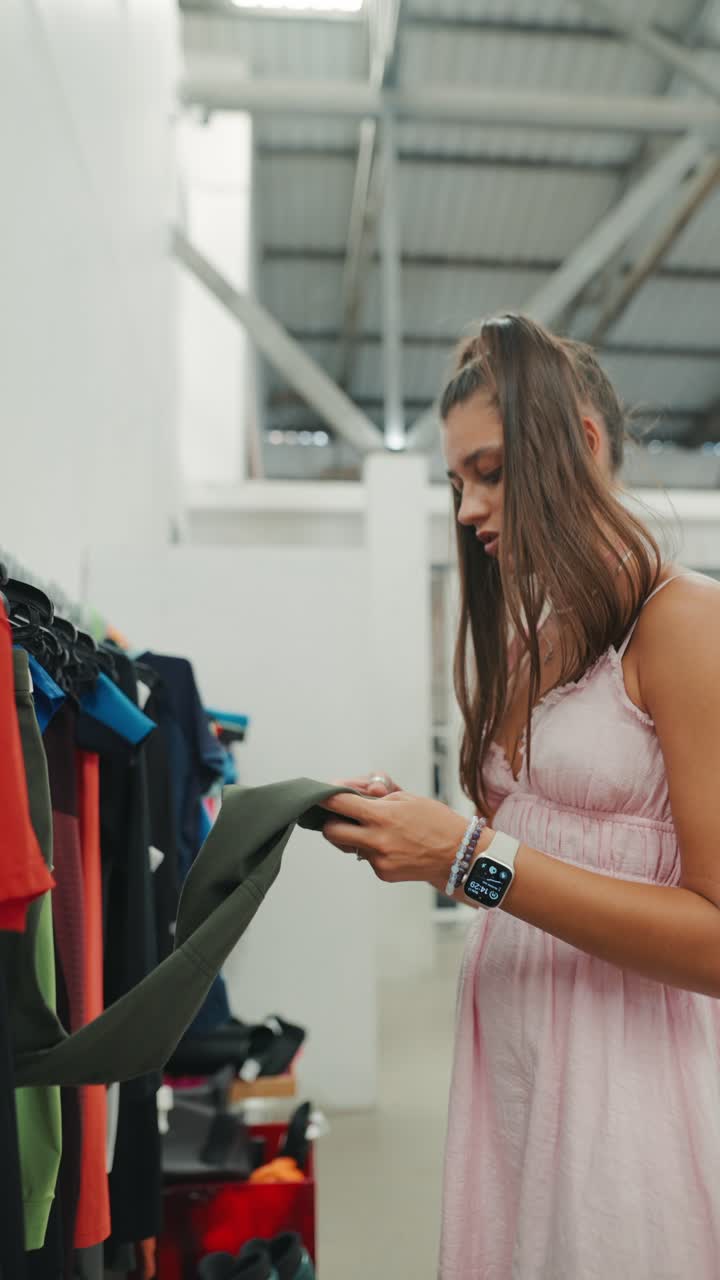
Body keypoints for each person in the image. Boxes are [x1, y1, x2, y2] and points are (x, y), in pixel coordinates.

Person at [321, 314, 720, 1280]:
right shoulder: (531, 634)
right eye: (459, 481)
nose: (466, 508)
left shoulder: (686, 625)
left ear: (582, 443)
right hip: (518, 1074)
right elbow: (546, 869)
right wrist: (419, 835)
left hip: (630, 1097)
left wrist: (466, 855)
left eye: (490, 472)